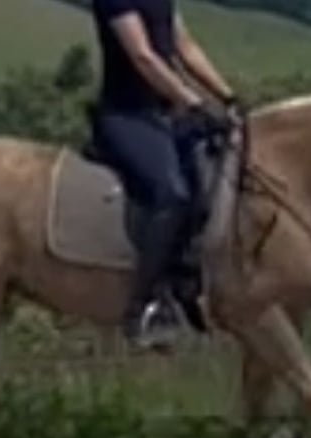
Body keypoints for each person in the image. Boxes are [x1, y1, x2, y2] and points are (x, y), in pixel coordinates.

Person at [90, 0, 239, 348]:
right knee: (172, 194)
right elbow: (143, 56)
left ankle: (187, 284)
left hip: (163, 116)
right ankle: (143, 307)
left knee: (212, 180)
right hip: (125, 116)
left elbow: (185, 47)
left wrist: (228, 98)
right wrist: (193, 102)